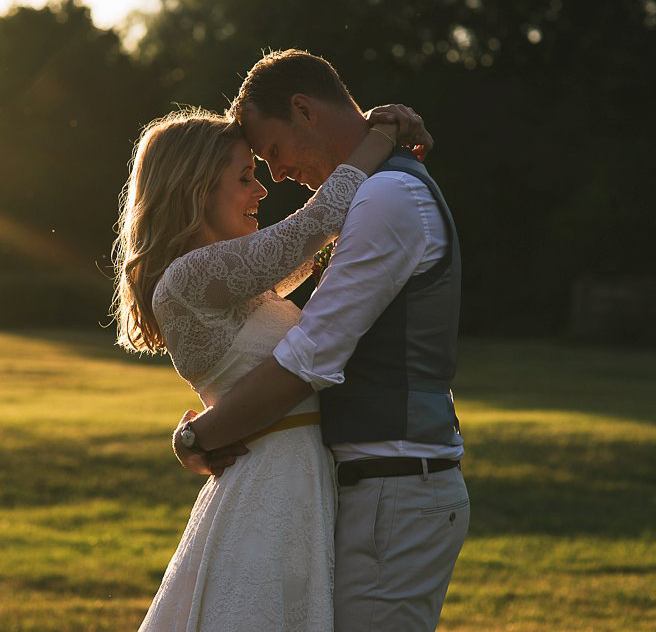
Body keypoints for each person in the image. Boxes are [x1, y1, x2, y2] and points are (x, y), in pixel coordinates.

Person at [172, 49, 469, 632]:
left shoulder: (388, 198)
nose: (275, 176)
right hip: (371, 488)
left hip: (396, 486)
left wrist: (198, 436)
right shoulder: (376, 193)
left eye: (272, 154)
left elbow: (310, 358)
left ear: (303, 110)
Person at [113, 100, 430, 630]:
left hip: (298, 478)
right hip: (271, 485)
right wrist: (381, 134)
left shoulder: (235, 280)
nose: (261, 191)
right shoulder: (189, 277)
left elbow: (323, 236)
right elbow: (320, 221)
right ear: (196, 187)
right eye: (245, 177)